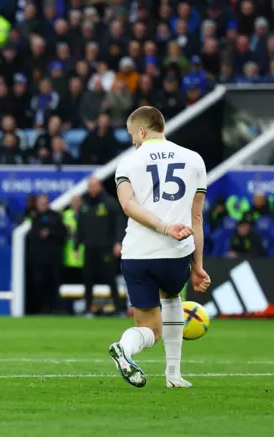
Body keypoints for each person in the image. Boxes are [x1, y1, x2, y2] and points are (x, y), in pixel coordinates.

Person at [110, 106, 210, 389]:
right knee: (172, 298)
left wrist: (162, 227)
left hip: (137, 254)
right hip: (175, 253)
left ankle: (124, 349)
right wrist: (198, 265)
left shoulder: (129, 162)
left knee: (148, 328)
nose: (133, 141)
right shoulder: (193, 159)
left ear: (142, 131)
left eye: (132, 135)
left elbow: (128, 205)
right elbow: (197, 218)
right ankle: (174, 374)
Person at [76, 177, 124, 316]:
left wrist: (118, 242)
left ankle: (118, 308)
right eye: (89, 186)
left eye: (93, 186)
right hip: (89, 248)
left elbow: (119, 223)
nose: (91, 189)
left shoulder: (109, 203)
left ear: (99, 187)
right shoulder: (85, 204)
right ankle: (88, 308)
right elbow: (80, 226)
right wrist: (76, 245)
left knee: (110, 278)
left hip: (106, 247)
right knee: (88, 279)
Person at [27, 195, 67, 314]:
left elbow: (63, 233)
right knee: (38, 282)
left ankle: (53, 307)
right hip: (38, 258)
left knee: (54, 283)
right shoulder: (33, 217)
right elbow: (29, 236)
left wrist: (50, 233)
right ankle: (42, 307)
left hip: (53, 258)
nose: (42, 205)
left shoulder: (55, 216)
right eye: (40, 203)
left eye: (45, 203)